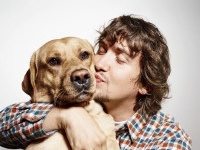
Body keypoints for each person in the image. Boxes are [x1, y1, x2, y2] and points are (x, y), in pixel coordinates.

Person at [0, 15, 192, 150]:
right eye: (100, 51)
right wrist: (67, 117)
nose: (99, 63)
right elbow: (4, 123)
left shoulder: (168, 137)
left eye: (120, 59)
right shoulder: (78, 101)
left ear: (145, 84)